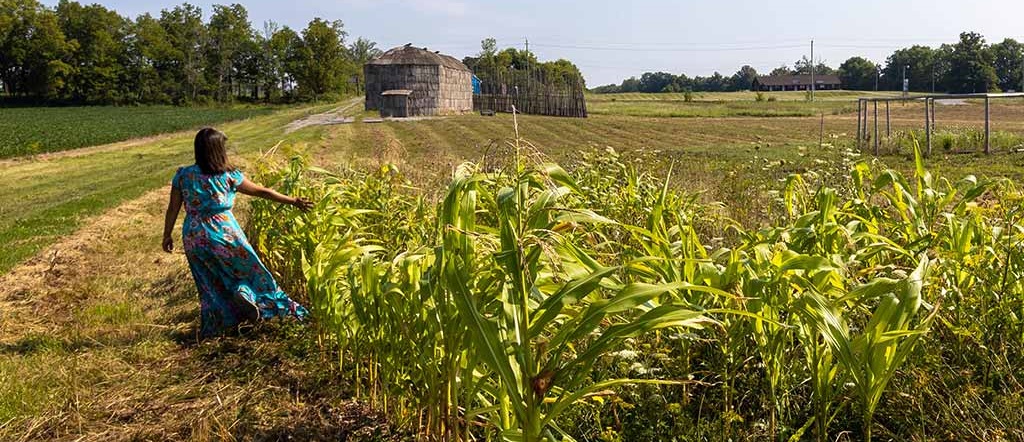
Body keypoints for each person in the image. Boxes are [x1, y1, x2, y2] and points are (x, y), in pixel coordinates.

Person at [162, 127, 313, 338]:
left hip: (194, 235)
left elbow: (172, 208)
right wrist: (293, 201)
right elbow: (262, 192)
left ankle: (220, 324)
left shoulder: (183, 176)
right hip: (224, 232)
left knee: (208, 280)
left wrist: (167, 235)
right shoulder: (229, 176)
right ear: (218, 150)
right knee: (251, 271)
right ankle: (250, 297)